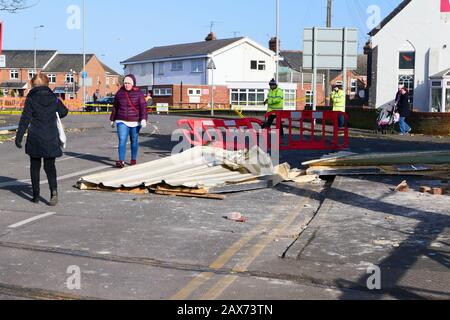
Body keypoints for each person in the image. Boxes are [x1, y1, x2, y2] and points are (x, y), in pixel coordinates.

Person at [15, 73, 69, 206]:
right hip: (51, 136)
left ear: (33, 85)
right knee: (50, 167)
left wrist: (19, 137)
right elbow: (64, 112)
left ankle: (35, 195)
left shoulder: (31, 99)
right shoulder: (54, 98)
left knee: (35, 167)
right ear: (47, 84)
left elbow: (25, 119)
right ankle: (54, 192)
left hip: (35, 137)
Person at [110, 74, 148, 168]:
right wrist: (112, 119)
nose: (126, 85)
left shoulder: (139, 93)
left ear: (133, 83)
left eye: (128, 83)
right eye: (125, 83)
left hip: (135, 121)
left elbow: (143, 107)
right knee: (122, 140)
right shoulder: (119, 93)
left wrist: (143, 119)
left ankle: (133, 159)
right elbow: (115, 107)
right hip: (121, 120)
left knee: (134, 140)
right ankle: (121, 161)